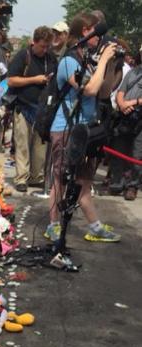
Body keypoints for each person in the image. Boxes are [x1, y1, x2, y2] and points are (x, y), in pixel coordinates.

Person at [46, 13, 119, 243]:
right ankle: (53, 225)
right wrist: (104, 60)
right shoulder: (68, 61)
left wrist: (111, 64)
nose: (100, 38)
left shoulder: (87, 59)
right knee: (60, 179)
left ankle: (95, 227)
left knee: (84, 181)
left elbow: (104, 91)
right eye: (97, 33)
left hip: (85, 131)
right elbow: (88, 90)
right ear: (86, 31)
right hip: (65, 128)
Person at [7, 26, 56, 192]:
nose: (45, 49)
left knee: (39, 147)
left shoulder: (50, 58)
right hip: (23, 106)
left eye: (47, 46)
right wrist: (34, 79)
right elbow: (11, 80)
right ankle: (21, 178)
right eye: (42, 46)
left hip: (42, 109)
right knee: (22, 145)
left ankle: (36, 177)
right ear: (34, 42)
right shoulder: (23, 56)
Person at [110, 50, 142, 200]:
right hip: (125, 117)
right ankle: (117, 183)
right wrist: (122, 104)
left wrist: (134, 103)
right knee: (118, 151)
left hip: (139, 120)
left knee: (137, 155)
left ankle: (132, 186)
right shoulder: (133, 72)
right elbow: (120, 92)